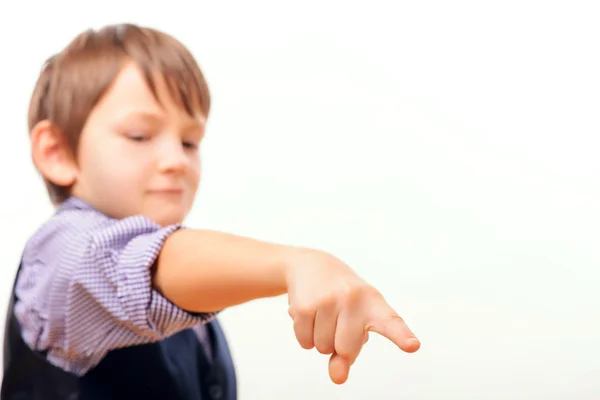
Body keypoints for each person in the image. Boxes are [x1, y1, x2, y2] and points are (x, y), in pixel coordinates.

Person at [1, 23, 420, 400]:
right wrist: (293, 263)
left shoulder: (192, 308)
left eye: (189, 142)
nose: (176, 160)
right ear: (56, 152)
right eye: (139, 135)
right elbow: (142, 263)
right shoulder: (61, 253)